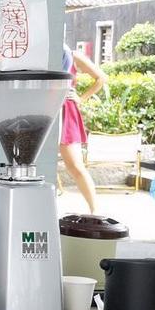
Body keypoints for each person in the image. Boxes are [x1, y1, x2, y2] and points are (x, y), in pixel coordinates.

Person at [60, 44, 108, 214]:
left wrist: (81, 98)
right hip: (43, 108)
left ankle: (95, 211)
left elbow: (100, 78)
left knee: (75, 165)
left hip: (65, 109)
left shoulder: (71, 54)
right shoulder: (40, 53)